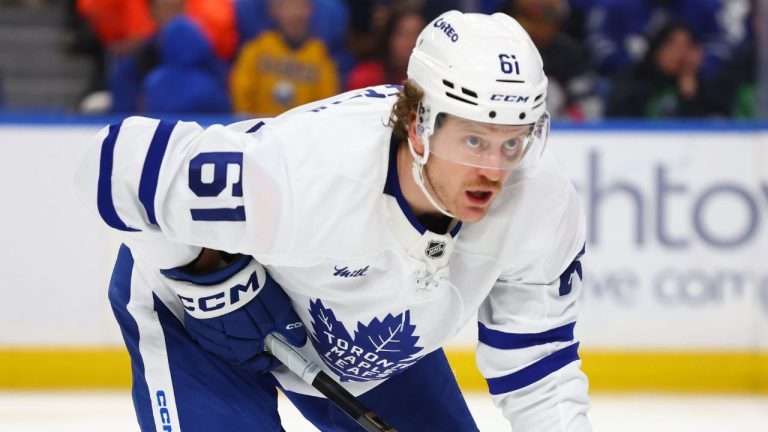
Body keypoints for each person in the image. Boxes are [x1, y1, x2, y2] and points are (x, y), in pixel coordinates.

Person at [76, 10, 591, 431]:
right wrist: (209, 279)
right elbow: (117, 164)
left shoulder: (539, 202)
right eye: (474, 140)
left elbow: (540, 371)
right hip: (194, 323)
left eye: (512, 142)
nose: (494, 170)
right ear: (418, 125)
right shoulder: (308, 170)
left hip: (364, 338)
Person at [230, 0, 339, 116]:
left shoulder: (320, 55)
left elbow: (327, 101)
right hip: (258, 125)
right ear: (274, 10)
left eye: (301, 6)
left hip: (301, 128)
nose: (295, 13)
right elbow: (240, 91)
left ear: (311, 10)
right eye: (288, 6)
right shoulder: (257, 48)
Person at [345, 7, 425, 91]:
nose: (410, 41)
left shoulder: (431, 80)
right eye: (403, 34)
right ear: (389, 37)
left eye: (417, 34)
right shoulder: (366, 76)